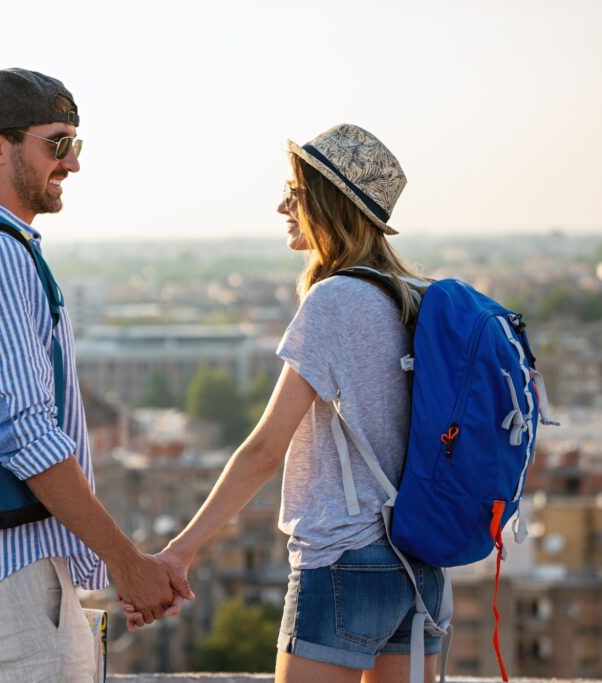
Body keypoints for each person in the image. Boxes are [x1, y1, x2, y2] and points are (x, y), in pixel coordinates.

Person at [128, 124, 444, 682]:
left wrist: (179, 551)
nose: (281, 206)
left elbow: (265, 449)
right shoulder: (416, 297)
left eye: (294, 195)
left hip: (345, 560)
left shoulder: (336, 299)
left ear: (329, 206)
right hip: (420, 563)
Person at [0, 68, 191, 683]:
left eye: (75, 145)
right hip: (6, 583)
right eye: (57, 143)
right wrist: (126, 563)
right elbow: (29, 438)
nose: (72, 164)